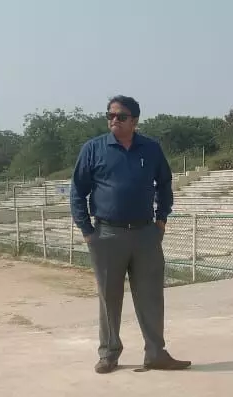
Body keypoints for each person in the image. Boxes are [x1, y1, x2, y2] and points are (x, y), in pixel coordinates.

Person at [70, 95, 191, 374]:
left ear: (134, 120)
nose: (114, 120)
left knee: (151, 296)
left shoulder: (150, 148)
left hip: (145, 233)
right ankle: (109, 353)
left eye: (121, 116)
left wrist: (161, 220)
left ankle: (156, 353)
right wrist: (87, 231)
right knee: (109, 297)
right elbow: (78, 190)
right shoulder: (94, 149)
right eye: (110, 115)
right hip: (106, 234)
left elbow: (164, 183)